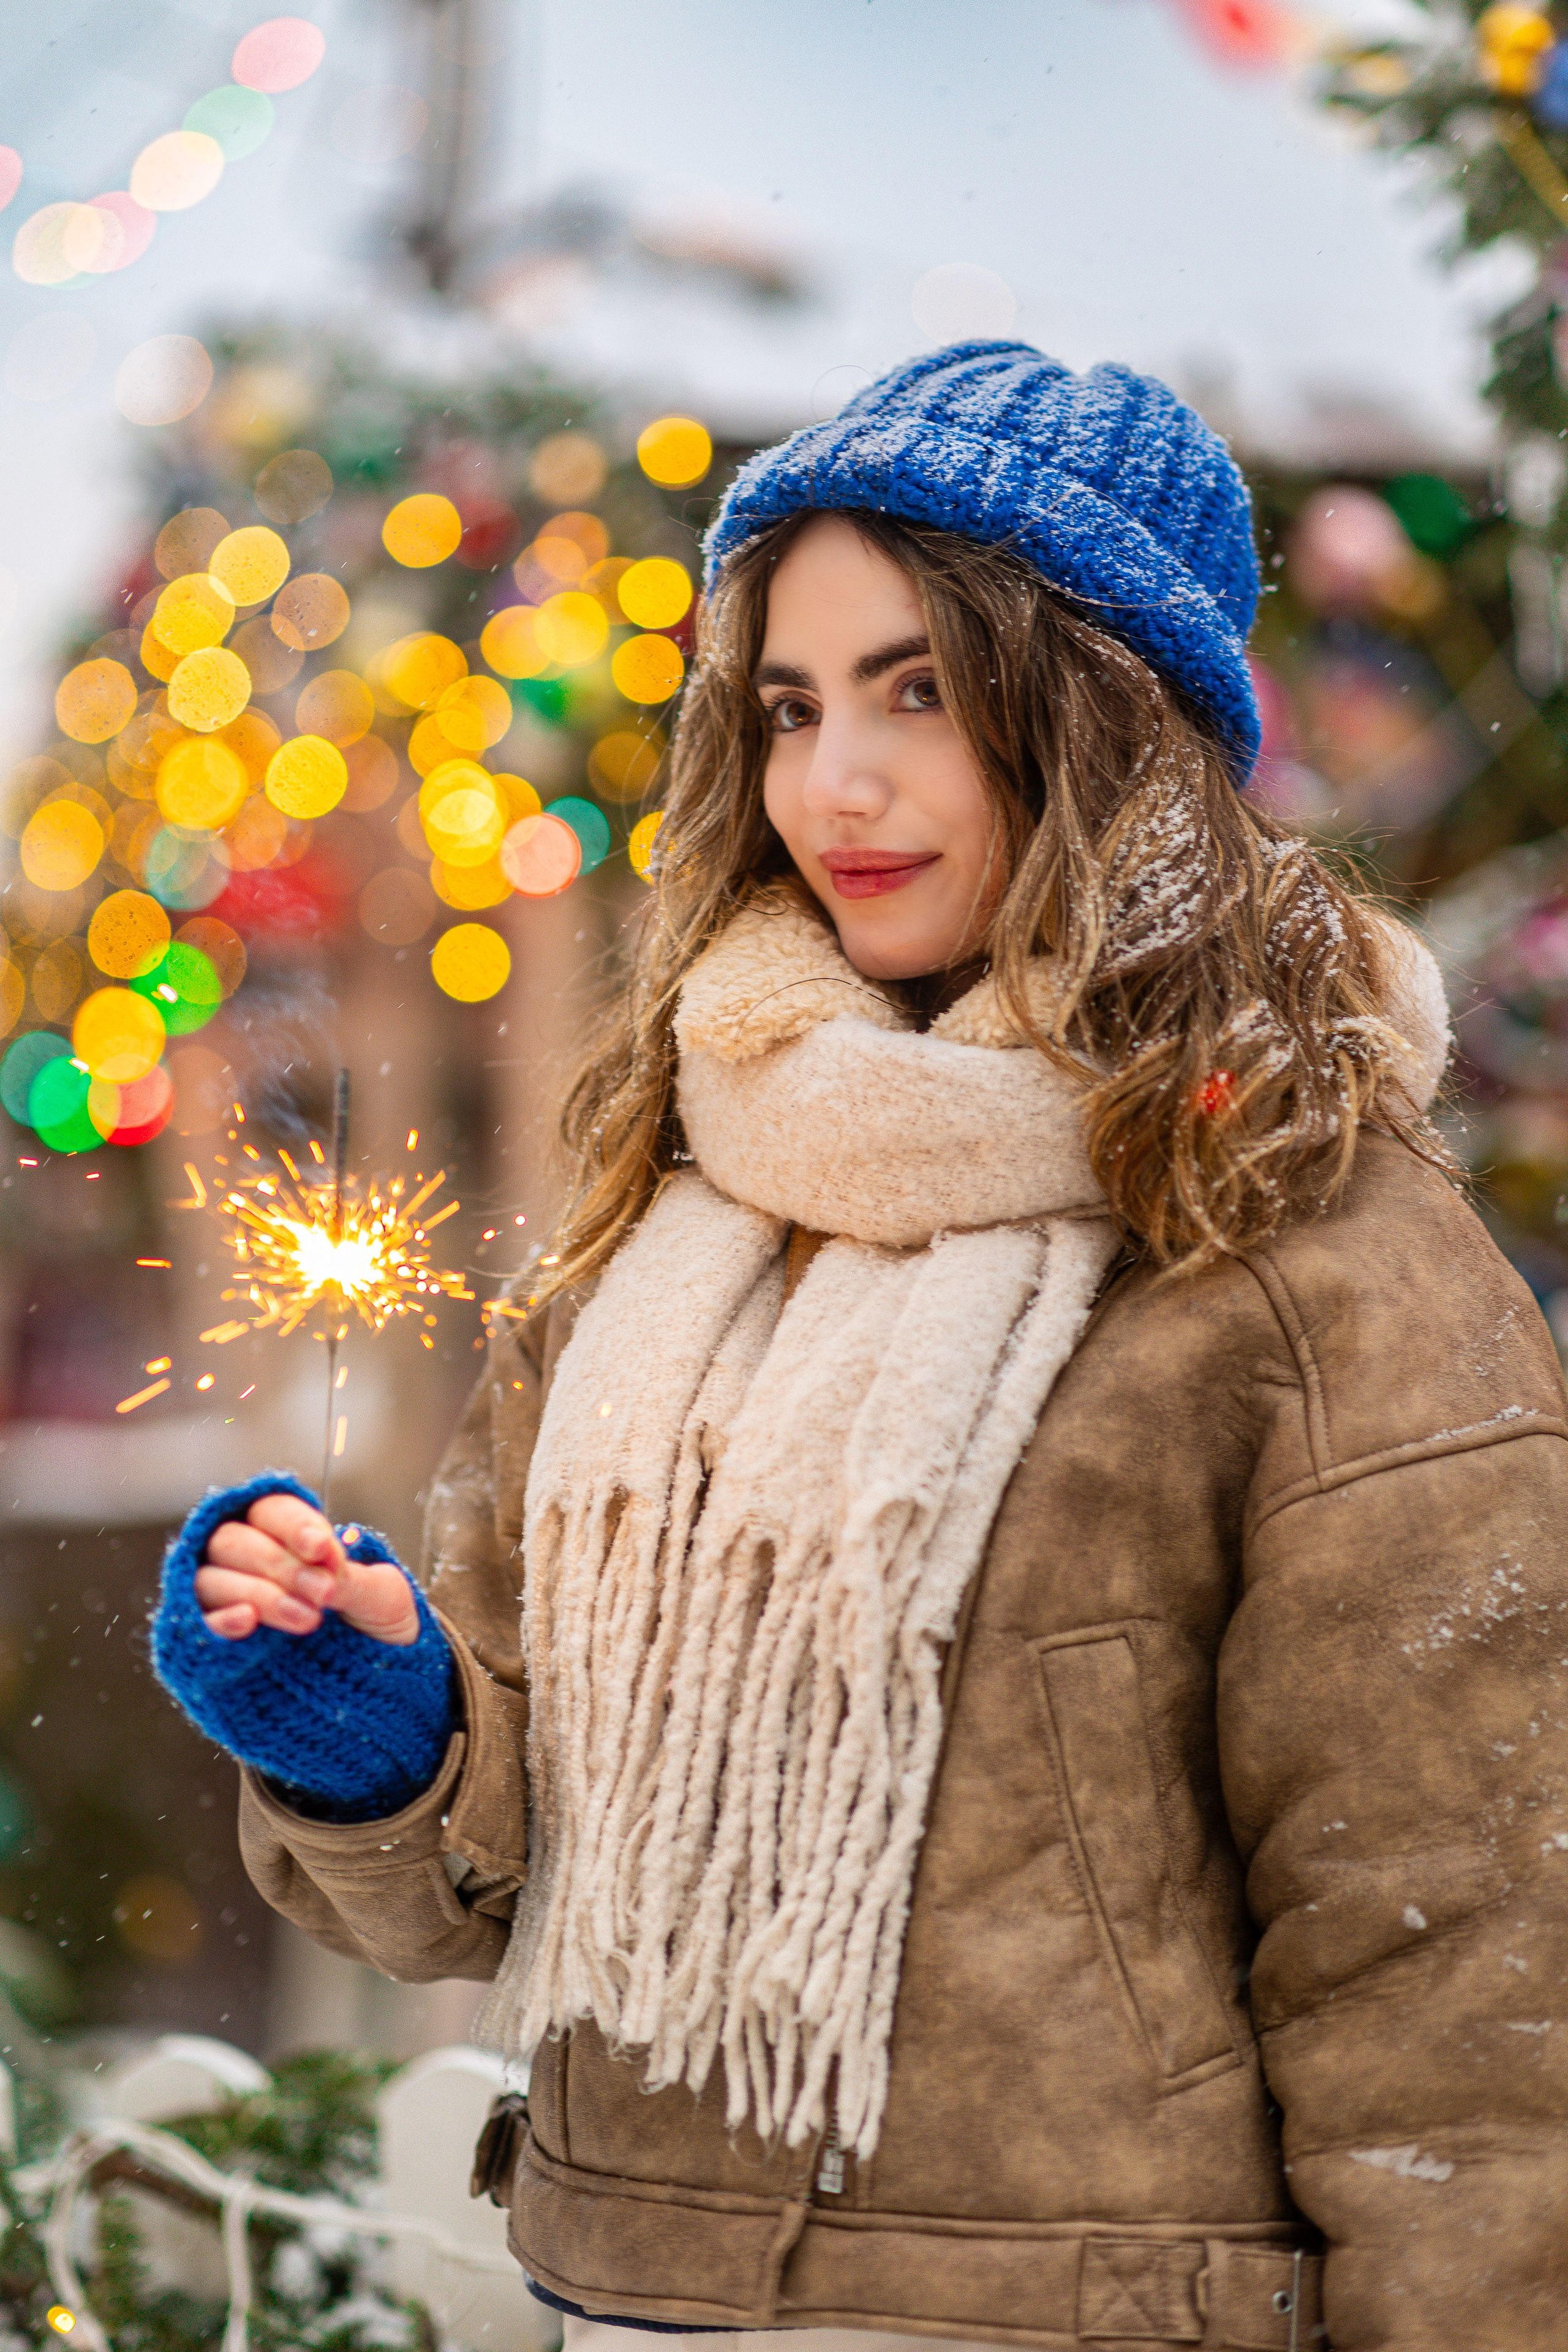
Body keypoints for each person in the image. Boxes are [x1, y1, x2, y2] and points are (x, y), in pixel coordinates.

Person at [153, 344, 1568, 2351]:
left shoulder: (1312, 1246)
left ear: (1101, 719)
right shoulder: (677, 1198)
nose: (838, 784)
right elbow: (491, 1899)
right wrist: (381, 1728)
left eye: (922, 691)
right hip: (618, 2294)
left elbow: (1463, 1990)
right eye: (794, 706)